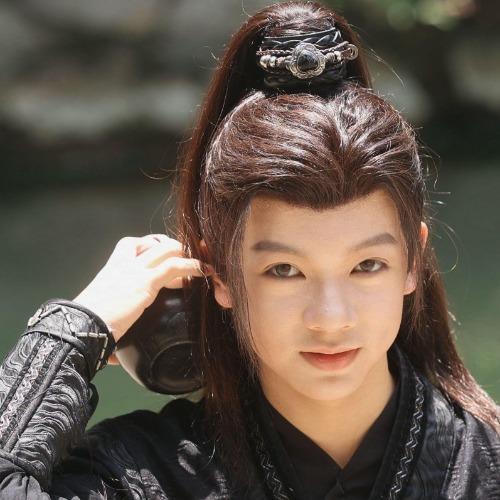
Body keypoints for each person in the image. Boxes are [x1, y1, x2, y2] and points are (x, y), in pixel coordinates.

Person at [0, 1, 498, 499]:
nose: (330, 319)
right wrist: (75, 330)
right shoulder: (145, 476)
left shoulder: (486, 463)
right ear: (219, 273)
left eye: (367, 266)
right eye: (284, 270)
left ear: (413, 261)